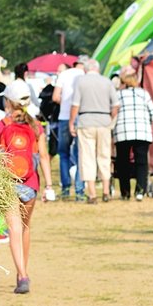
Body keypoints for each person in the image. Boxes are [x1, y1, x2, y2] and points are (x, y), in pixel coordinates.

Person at [0, 80, 51, 294]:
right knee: (25, 228)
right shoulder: (35, 126)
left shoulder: (0, 126)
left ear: (8, 102)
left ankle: (22, 274)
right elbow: (43, 156)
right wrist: (49, 185)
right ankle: (22, 273)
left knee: (14, 230)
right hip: (30, 183)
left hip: (8, 183)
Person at [70, 59, 119, 204]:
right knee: (104, 156)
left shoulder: (80, 81)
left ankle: (92, 194)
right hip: (104, 122)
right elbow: (116, 105)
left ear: (86, 69)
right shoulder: (107, 82)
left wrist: (72, 122)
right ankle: (105, 191)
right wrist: (110, 118)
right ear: (98, 69)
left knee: (87, 157)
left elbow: (75, 105)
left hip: (86, 121)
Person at [113, 68, 153, 201]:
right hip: (141, 132)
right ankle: (140, 190)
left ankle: (125, 192)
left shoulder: (118, 95)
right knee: (141, 162)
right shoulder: (144, 94)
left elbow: (114, 112)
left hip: (123, 132)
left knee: (122, 162)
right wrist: (147, 121)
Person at [53, 58, 87, 200]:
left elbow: (55, 97)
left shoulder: (64, 74)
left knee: (64, 154)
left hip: (64, 117)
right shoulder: (85, 76)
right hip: (81, 117)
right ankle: (80, 190)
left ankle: (66, 187)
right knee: (81, 154)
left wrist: (65, 103)